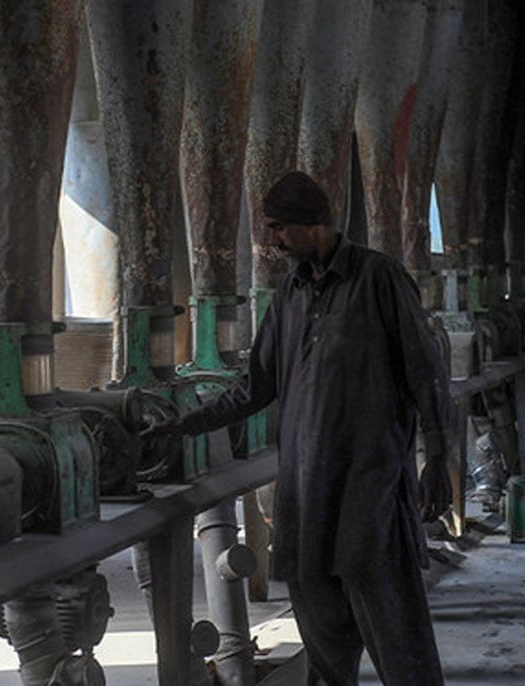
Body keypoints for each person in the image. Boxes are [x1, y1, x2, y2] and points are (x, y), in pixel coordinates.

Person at [145, 171, 452, 685]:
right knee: (325, 646)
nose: (273, 241)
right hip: (307, 498)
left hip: (368, 491)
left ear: (314, 223)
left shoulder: (378, 279)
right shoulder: (289, 293)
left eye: (279, 228)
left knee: (399, 637)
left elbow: (427, 371)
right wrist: (185, 424)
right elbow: (255, 386)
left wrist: (438, 457)